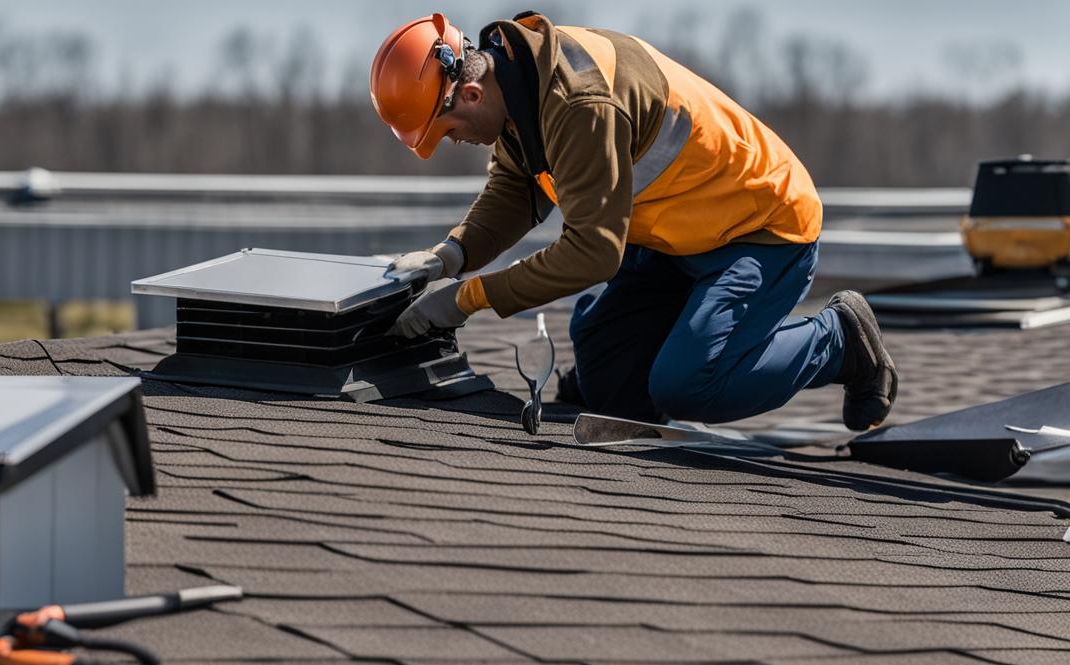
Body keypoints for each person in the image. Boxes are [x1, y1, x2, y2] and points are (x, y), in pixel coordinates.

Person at [369, 12, 897, 430]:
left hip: (760, 227)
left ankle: (840, 342)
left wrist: (465, 299)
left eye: (448, 131)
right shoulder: (517, 85)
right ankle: (667, 343)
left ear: (471, 93)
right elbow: (517, 189)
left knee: (690, 385)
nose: (454, 142)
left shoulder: (578, 103)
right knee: (613, 393)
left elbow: (592, 254)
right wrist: (450, 256)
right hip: (676, 234)